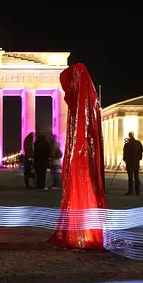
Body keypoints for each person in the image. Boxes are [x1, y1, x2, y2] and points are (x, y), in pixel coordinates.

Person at [49, 63, 106, 250]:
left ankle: (83, 230)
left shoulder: (84, 102)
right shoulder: (87, 101)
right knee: (83, 186)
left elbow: (82, 135)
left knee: (83, 185)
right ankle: (85, 229)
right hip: (82, 155)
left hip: (82, 156)